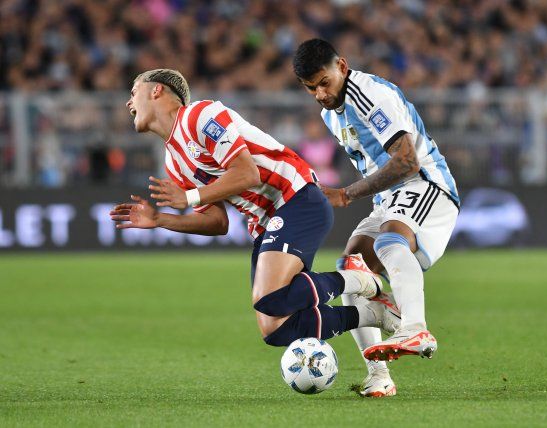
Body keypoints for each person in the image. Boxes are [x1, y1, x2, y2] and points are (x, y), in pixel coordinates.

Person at [109, 68, 401, 348]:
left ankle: (358, 279)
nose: (128, 102)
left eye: (134, 92)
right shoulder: (173, 161)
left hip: (296, 196)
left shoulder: (199, 115)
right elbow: (217, 222)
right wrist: (160, 219)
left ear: (156, 90)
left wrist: (189, 197)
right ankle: (374, 314)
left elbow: (247, 173)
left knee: (271, 297)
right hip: (266, 224)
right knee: (277, 328)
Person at [293, 39, 460, 397]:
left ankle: (414, 328)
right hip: (390, 199)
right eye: (311, 88)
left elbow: (407, 161)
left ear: (342, 66)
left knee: (389, 241)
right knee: (352, 266)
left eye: (324, 83)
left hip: (426, 184)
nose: (320, 94)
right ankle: (379, 375)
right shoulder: (329, 113)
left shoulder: (371, 95)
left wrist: (346, 194)